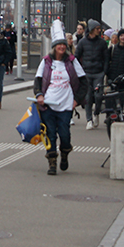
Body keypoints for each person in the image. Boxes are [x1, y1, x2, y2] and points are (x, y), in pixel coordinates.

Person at [34, 20, 87, 175]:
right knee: (49, 134)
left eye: (64, 44)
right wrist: (39, 95)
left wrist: (76, 100)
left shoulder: (72, 62)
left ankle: (64, 153)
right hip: (48, 105)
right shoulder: (46, 62)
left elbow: (84, 82)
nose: (62, 47)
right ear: (54, 46)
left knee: (64, 134)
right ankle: (52, 162)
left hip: (65, 106)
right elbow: (37, 80)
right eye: (59, 44)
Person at [76, 19, 108, 130]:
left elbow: (106, 58)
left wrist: (104, 71)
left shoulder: (102, 43)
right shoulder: (83, 42)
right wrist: (79, 71)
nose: (99, 31)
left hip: (98, 72)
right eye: (97, 29)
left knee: (98, 96)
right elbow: (76, 56)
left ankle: (97, 113)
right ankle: (89, 119)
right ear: (92, 29)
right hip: (86, 72)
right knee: (88, 97)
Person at [106, 29, 124, 110]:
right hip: (112, 77)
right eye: (121, 36)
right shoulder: (112, 49)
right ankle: (110, 114)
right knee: (111, 97)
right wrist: (108, 73)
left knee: (122, 98)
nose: (123, 38)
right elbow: (107, 61)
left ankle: (119, 113)